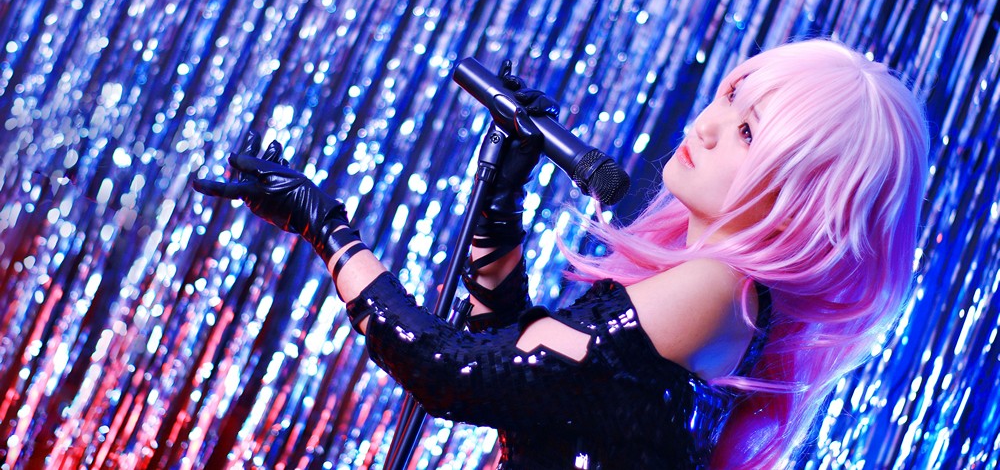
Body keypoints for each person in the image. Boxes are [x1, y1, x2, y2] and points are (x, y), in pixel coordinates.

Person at [192, 39, 928, 469]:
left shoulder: (718, 289)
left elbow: (450, 373)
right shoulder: (715, 295)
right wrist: (500, 202)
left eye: (747, 133)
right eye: (731, 96)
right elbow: (511, 371)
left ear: (804, 198)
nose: (707, 125)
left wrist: (327, 226)